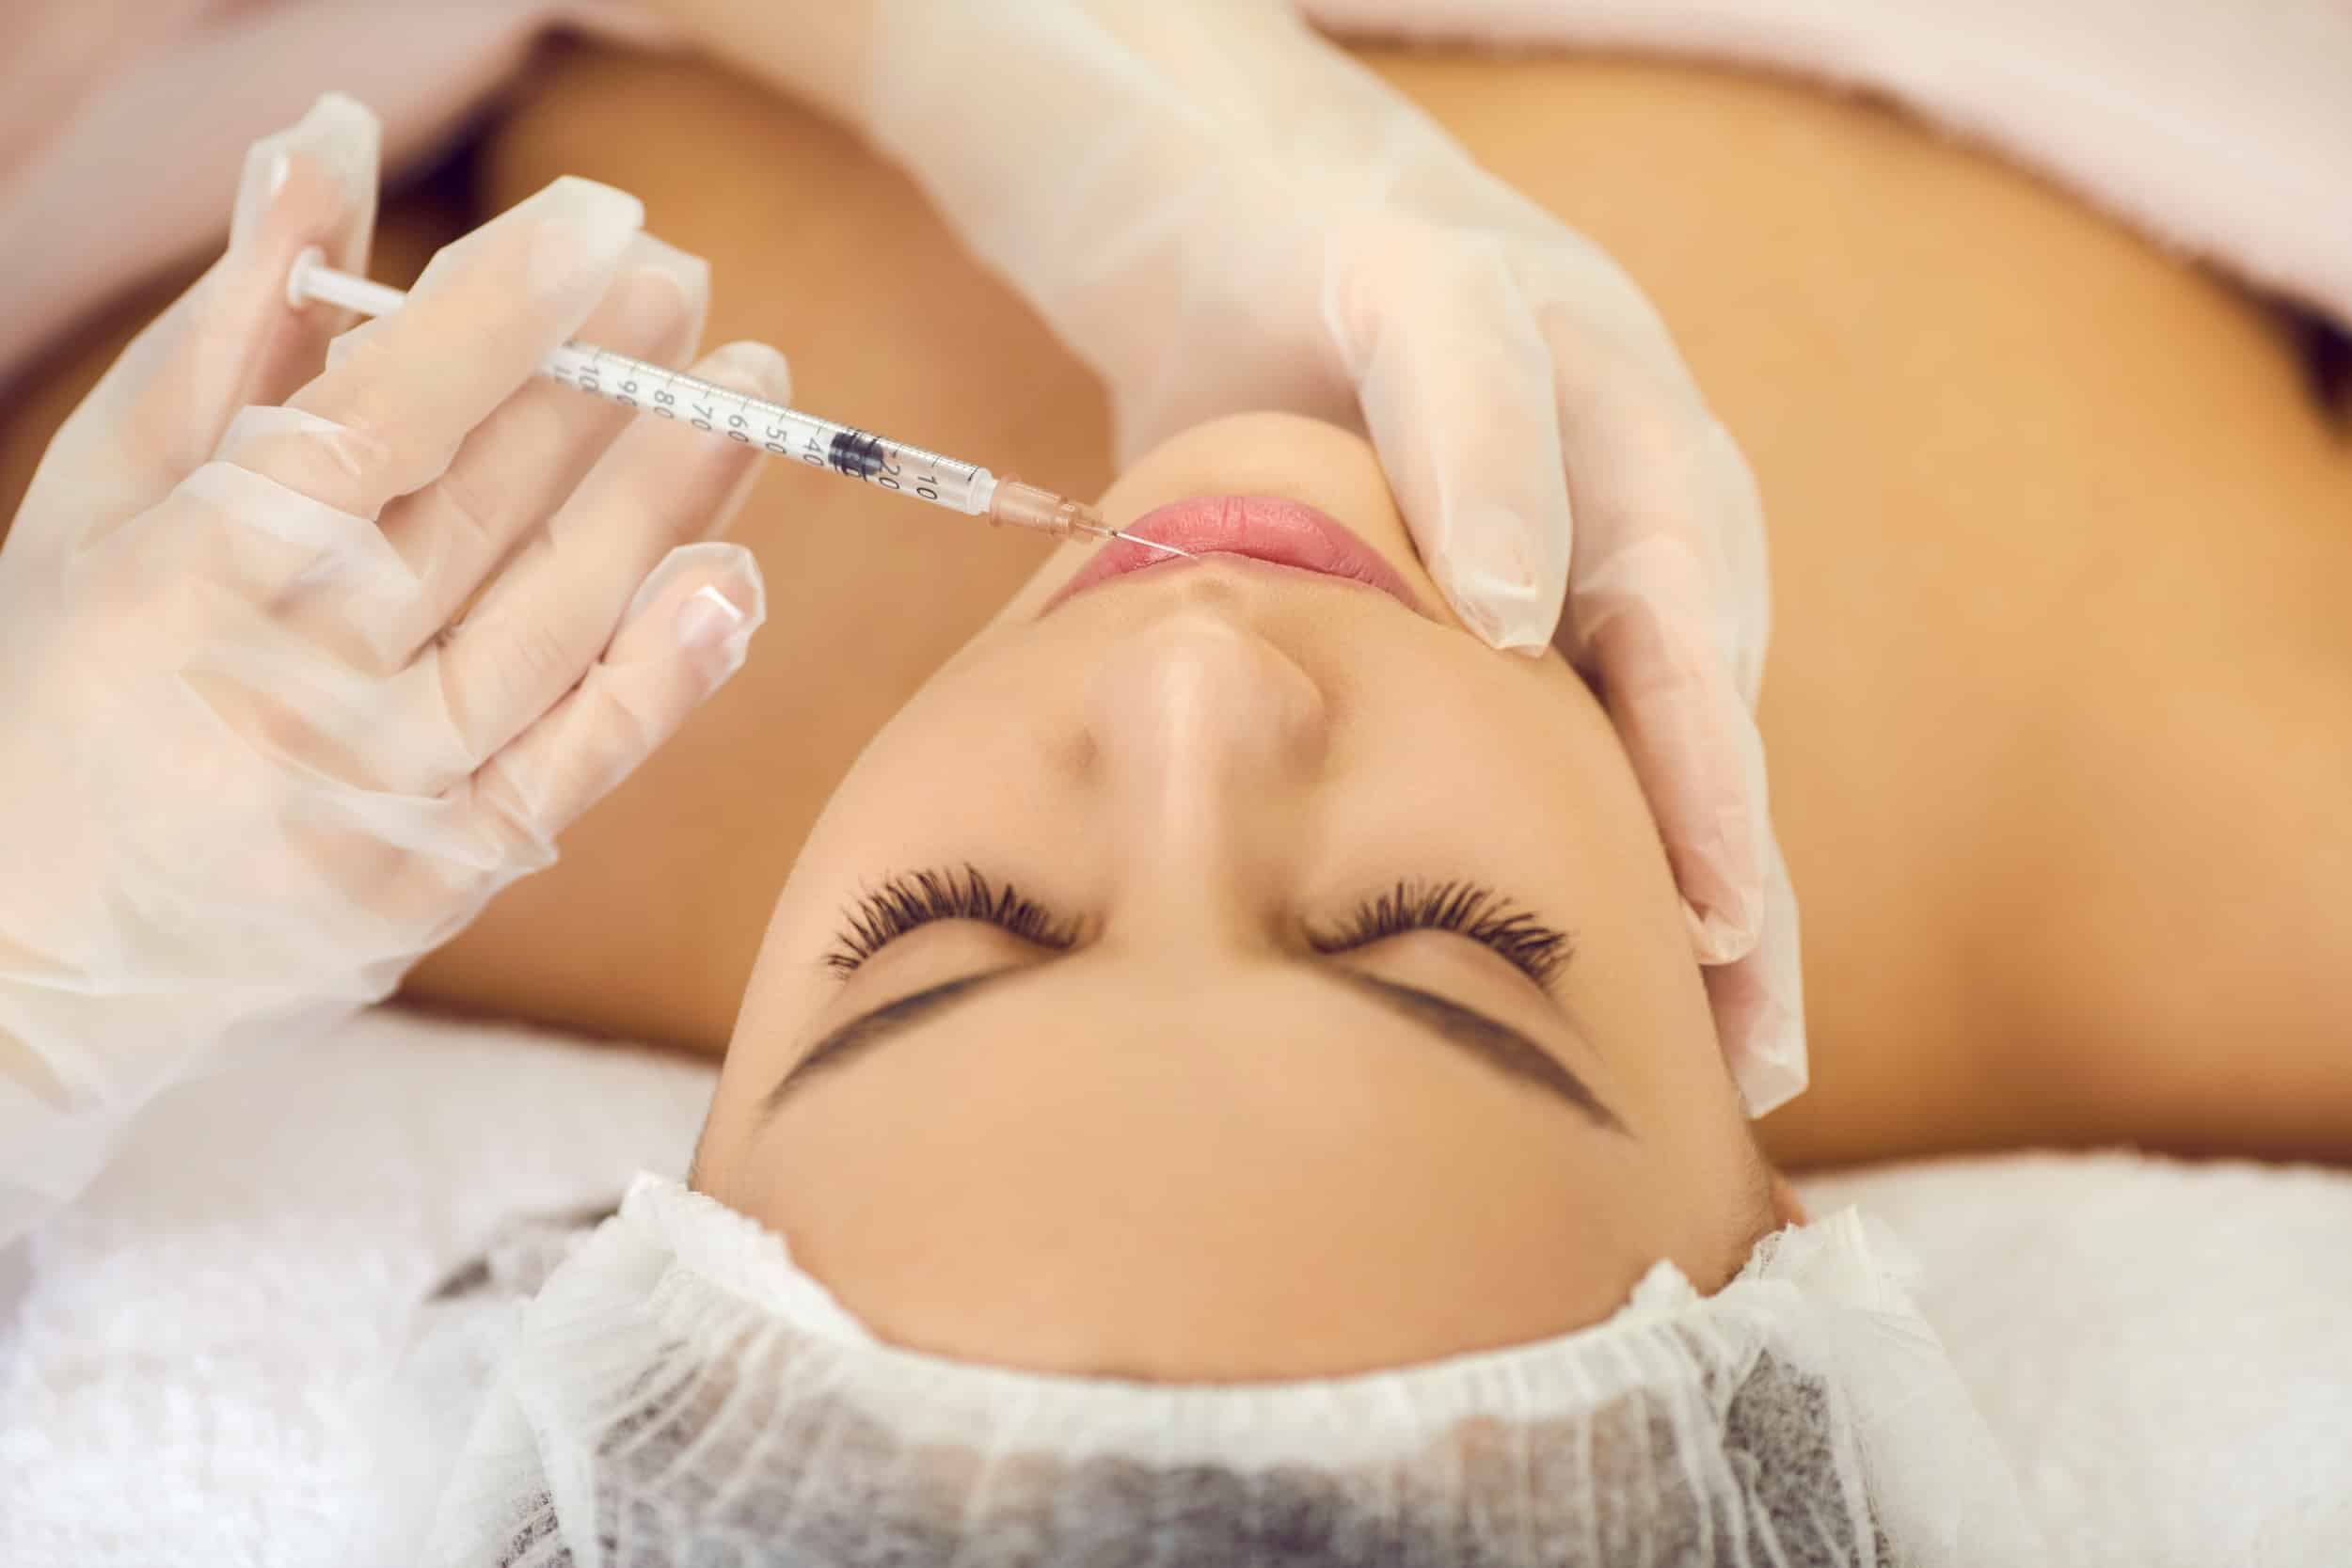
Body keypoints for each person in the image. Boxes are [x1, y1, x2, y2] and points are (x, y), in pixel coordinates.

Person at [2, 8, 2346, 1561]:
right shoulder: (2258, 812)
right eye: (1439, 939)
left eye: (951, 929)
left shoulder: (354, 668)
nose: (1193, 694)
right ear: (1787, 1233)